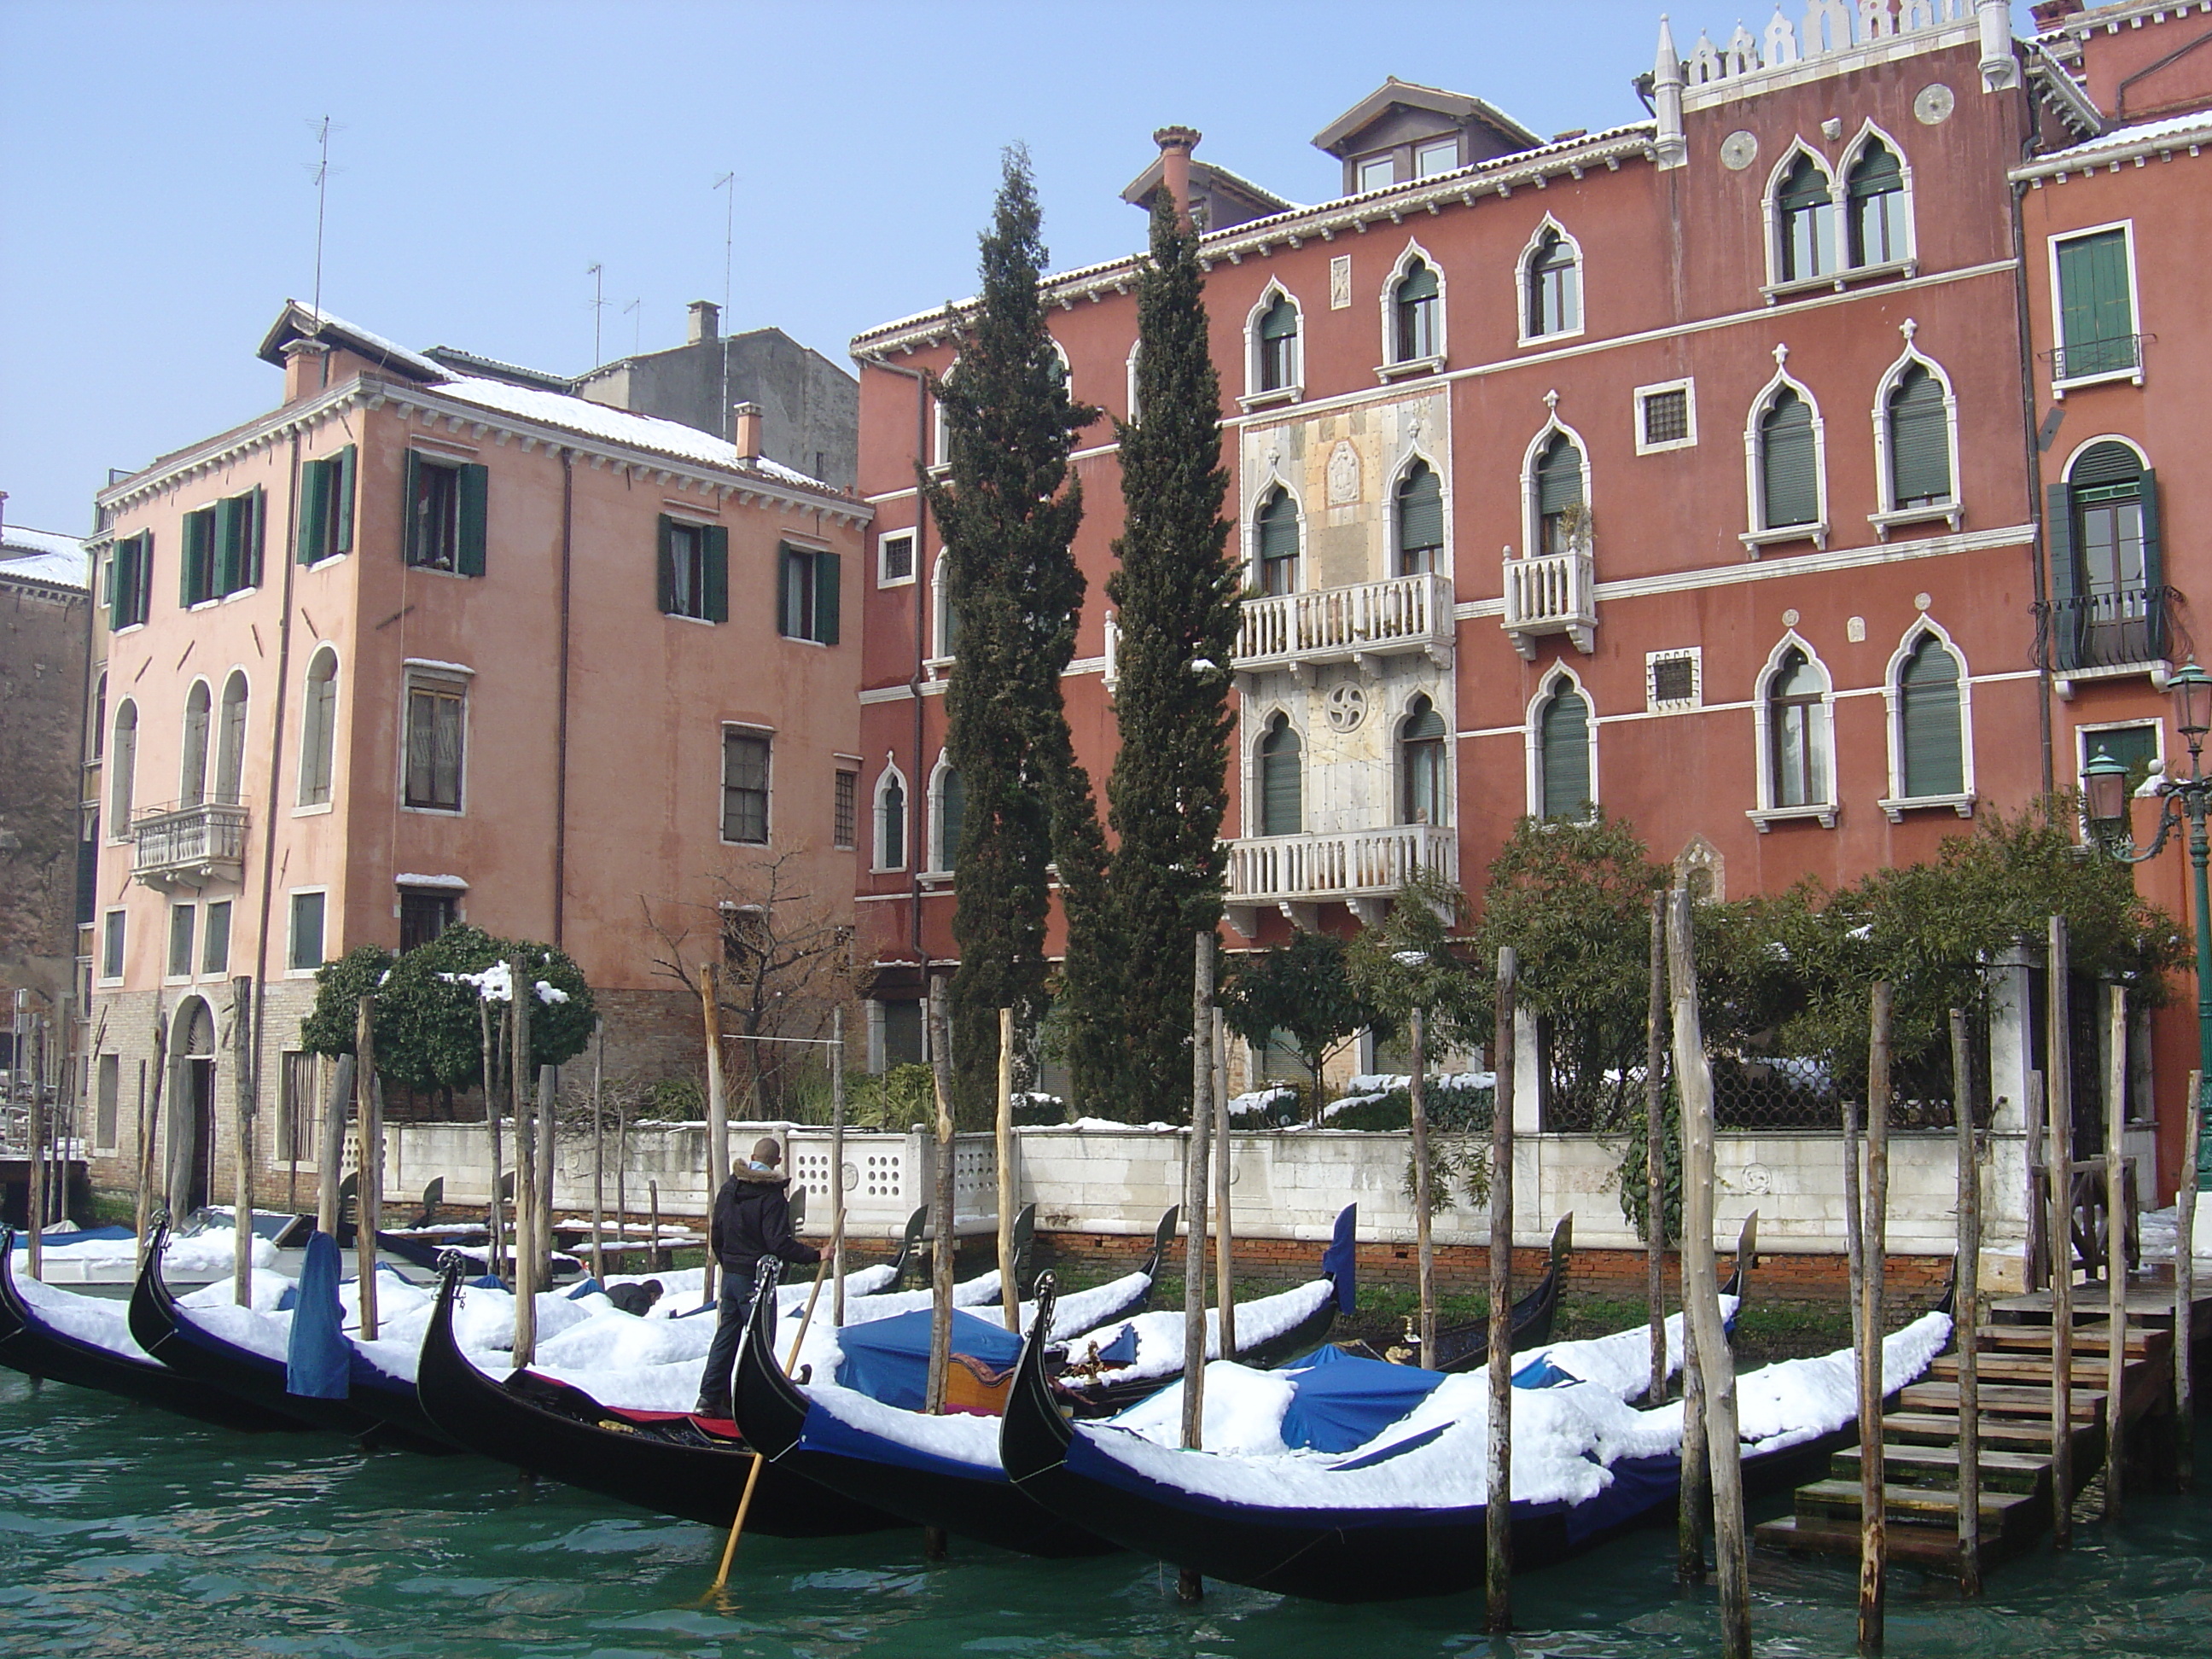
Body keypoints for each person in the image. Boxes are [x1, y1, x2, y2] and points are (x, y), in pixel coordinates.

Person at [694, 1136, 819, 1417]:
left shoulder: (729, 1189)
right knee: (760, 1342)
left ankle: (709, 1398)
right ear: (777, 1162)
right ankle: (753, 1403)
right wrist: (816, 1255)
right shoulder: (772, 1196)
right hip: (756, 1279)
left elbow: (716, 1234)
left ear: (752, 1156)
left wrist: (729, 1265)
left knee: (726, 1336)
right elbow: (778, 1243)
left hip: (731, 1276)